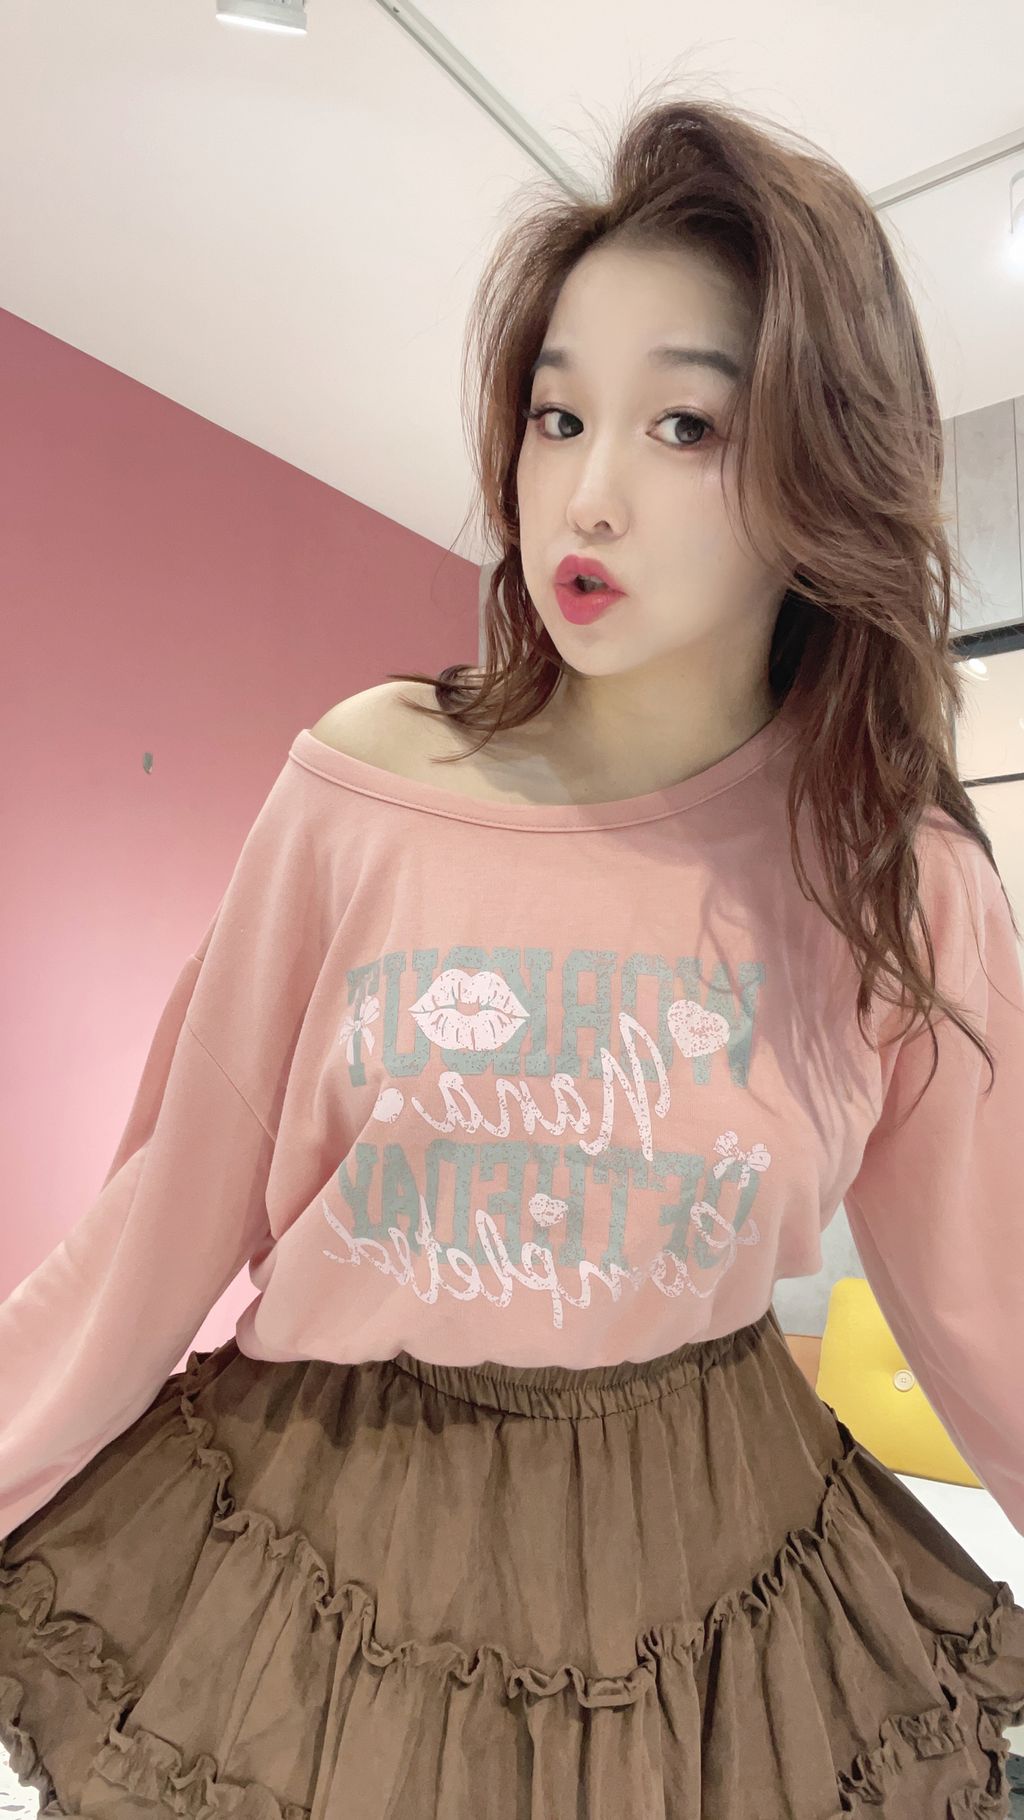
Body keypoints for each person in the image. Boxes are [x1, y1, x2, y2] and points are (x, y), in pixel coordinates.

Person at [2, 88, 1024, 1819]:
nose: (588, 494)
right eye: (559, 416)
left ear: (821, 464)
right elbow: (164, 1218)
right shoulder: (369, 786)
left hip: (717, 1586)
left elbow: (997, 1312)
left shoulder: (890, 877)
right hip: (327, 1556)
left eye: (685, 426)